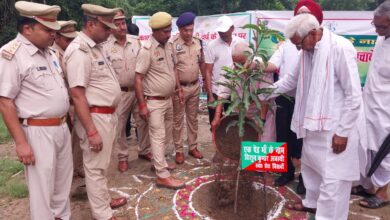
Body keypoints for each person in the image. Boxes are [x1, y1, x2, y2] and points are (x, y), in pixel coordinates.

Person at [262, 13, 362, 219]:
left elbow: (354, 95)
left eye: (299, 44)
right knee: (312, 170)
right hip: (312, 123)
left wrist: (343, 132)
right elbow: (290, 80)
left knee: (333, 180)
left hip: (335, 127)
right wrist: (260, 94)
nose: (299, 48)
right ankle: (312, 203)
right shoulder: (306, 53)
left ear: (313, 33)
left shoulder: (340, 48)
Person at [0, 1, 72, 219]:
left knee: (62, 183)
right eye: (48, 30)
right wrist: (21, 143)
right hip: (38, 131)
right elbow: (5, 101)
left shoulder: (48, 53)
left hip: (60, 126)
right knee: (43, 189)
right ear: (27, 28)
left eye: (54, 30)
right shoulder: (12, 54)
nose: (53, 34)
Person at [63, 4, 126, 220]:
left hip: (107, 115)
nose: (110, 32)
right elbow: (78, 95)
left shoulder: (96, 46)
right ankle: (103, 214)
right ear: (90, 24)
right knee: (95, 167)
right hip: (95, 117)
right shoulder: (79, 50)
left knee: (102, 164)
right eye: (106, 28)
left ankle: (103, 201)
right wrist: (91, 131)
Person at [264, 0, 324, 194]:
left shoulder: (324, 47)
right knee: (283, 137)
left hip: (307, 101)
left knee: (304, 142)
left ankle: (305, 180)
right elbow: (276, 67)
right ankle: (287, 172)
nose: (301, 18)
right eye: (298, 14)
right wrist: (257, 65)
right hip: (284, 97)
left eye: (306, 14)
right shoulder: (289, 42)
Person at [135, 12, 185, 189]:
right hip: (154, 102)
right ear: (154, 31)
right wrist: (142, 105)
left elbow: (173, 70)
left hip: (168, 99)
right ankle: (162, 176)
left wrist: (178, 88)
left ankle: (158, 163)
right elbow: (138, 78)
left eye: (169, 30)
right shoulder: (146, 49)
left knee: (167, 135)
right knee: (158, 136)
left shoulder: (169, 46)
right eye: (165, 31)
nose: (168, 34)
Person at [357, 1, 390, 209]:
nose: (377, 31)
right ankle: (368, 187)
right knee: (366, 146)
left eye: (382, 27)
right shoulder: (381, 40)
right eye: (375, 25)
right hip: (370, 104)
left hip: (387, 109)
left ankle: (383, 192)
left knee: (384, 151)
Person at [104, 9, 141, 172]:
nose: (121, 27)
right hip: (120, 93)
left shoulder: (136, 42)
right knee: (119, 126)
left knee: (143, 122)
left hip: (138, 90)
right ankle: (123, 157)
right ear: (111, 27)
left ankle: (145, 150)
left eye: (123, 23)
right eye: (117, 24)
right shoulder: (105, 47)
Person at [51, 20, 85, 178]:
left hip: (75, 102)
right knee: (65, 141)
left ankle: (76, 166)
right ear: (56, 37)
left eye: (73, 38)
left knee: (77, 138)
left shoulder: (73, 50)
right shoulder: (52, 54)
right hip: (64, 104)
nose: (71, 42)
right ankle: (67, 170)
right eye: (67, 39)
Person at [171, 12, 205, 164]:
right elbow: (173, 68)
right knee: (178, 120)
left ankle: (193, 147)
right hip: (180, 88)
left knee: (193, 118)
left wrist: (204, 79)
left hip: (195, 86)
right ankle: (179, 150)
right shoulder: (173, 44)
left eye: (191, 29)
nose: (189, 33)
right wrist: (178, 89)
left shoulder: (198, 43)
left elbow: (202, 63)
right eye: (185, 30)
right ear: (179, 29)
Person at [204, 15, 246, 125]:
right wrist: (210, 96)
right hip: (216, 89)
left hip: (235, 90)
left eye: (224, 31)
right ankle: (216, 142)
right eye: (220, 31)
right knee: (215, 122)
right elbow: (208, 71)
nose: (222, 34)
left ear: (232, 28)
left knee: (233, 122)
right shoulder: (212, 46)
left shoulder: (242, 43)